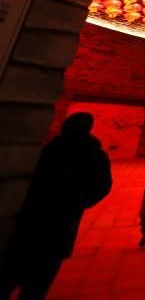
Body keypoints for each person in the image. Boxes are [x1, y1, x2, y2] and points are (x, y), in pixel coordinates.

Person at [0, 112, 112, 300]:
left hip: (30, 219)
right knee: (38, 282)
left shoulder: (48, 149)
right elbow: (102, 187)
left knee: (10, 274)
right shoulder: (94, 155)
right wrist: (78, 202)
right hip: (60, 224)